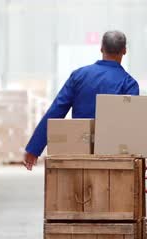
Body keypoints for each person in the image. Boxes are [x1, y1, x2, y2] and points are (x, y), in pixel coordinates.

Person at [23, 30, 139, 170]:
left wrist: (34, 149)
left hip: (80, 153)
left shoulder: (79, 76)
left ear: (101, 48)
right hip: (115, 159)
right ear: (124, 50)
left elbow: (56, 110)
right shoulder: (129, 83)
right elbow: (132, 126)